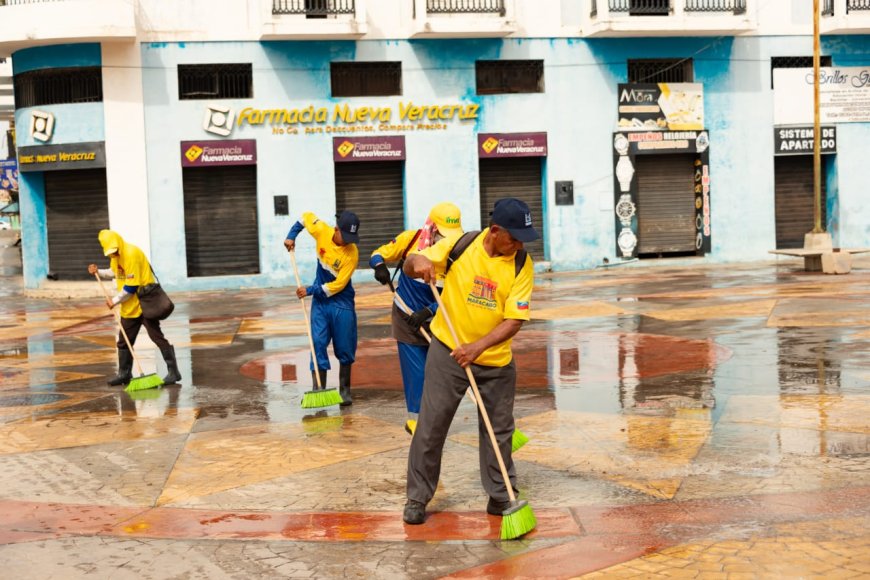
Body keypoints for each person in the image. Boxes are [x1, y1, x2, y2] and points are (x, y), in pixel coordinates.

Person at [400, 198, 539, 525]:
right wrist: (417, 264)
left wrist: (477, 348)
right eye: (514, 237)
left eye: (523, 239)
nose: (519, 244)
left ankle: (501, 494)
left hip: (495, 361)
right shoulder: (460, 246)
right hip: (447, 350)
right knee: (432, 424)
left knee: (499, 430)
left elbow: (514, 320)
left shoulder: (521, 264)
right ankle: (417, 497)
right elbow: (412, 261)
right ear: (494, 231)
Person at [369, 202, 464, 435]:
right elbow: (378, 253)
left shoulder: (461, 252)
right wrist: (379, 265)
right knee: (416, 371)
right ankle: (416, 420)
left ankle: (437, 414)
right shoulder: (411, 240)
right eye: (442, 234)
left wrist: (430, 311)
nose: (445, 240)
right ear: (431, 229)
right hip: (406, 317)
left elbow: (458, 294)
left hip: (440, 319)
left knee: (447, 371)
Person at [284, 210, 360, 406]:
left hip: (341, 302)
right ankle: (318, 388)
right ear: (336, 230)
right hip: (321, 303)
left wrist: (311, 289)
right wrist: (291, 236)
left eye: (353, 237)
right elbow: (306, 217)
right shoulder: (322, 232)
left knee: (345, 346)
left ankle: (344, 390)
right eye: (346, 236)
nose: (349, 241)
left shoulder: (352, 254)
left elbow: (338, 286)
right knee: (317, 342)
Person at [88, 230, 181, 386]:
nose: (114, 254)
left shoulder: (131, 253)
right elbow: (115, 272)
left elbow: (131, 287)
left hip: (144, 304)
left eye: (115, 250)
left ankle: (173, 372)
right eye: (111, 252)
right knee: (124, 341)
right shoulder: (115, 256)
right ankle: (124, 374)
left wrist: (114, 301)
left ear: (119, 243)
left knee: (156, 337)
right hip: (129, 307)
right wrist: (98, 272)